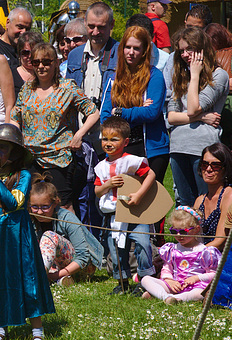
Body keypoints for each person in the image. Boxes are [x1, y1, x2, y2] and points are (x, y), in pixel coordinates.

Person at [0, 124, 55, 340]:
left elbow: (13, 203)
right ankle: (1, 328)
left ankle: (37, 331)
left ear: (15, 153)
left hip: (17, 236)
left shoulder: (24, 176)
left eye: (2, 148)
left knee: (26, 277)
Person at [10, 43, 99, 209]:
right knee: (34, 206)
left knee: (62, 206)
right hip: (30, 158)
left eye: (46, 62)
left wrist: (79, 135)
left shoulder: (68, 88)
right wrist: (17, 140)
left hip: (59, 158)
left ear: (56, 63)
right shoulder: (27, 88)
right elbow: (15, 116)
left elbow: (93, 113)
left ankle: (68, 236)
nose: (41, 66)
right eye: (36, 62)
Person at [100, 25, 169, 240]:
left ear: (145, 50)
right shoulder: (113, 77)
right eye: (127, 47)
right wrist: (139, 108)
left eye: (136, 48)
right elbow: (104, 118)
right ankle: (123, 252)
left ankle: (155, 252)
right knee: (123, 200)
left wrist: (120, 112)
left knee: (150, 203)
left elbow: (152, 112)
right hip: (122, 148)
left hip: (151, 147)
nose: (131, 52)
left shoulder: (154, 76)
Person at [167, 27, 229, 207]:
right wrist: (201, 118)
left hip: (201, 147)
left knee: (205, 200)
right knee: (185, 202)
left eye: (189, 49)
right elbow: (171, 117)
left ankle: (208, 236)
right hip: (178, 145)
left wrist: (194, 76)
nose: (185, 54)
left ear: (202, 48)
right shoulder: (180, 75)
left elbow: (194, 108)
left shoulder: (219, 75)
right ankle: (189, 236)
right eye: (181, 51)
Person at [94, 117, 156, 295]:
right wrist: (108, 184)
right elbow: (98, 191)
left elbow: (150, 175)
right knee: (116, 247)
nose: (108, 143)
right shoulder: (101, 167)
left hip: (136, 212)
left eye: (114, 139)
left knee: (143, 243)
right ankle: (122, 282)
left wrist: (139, 195)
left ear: (125, 141)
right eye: (105, 139)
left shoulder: (132, 161)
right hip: (113, 214)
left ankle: (146, 281)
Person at [29, 173, 103, 286]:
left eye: (45, 207)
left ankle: (43, 278)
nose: (39, 212)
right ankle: (58, 280)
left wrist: (55, 275)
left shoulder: (67, 218)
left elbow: (83, 256)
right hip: (54, 266)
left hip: (83, 268)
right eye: (34, 207)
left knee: (49, 235)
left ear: (55, 203)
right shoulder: (31, 220)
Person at [66, 1, 119, 156]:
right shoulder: (74, 55)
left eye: (101, 27)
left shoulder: (121, 53)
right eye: (91, 26)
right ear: (84, 23)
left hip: (109, 135)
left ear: (112, 25)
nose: (95, 32)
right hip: (79, 135)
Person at [141, 207, 221, 304]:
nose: (179, 235)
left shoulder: (204, 251)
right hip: (175, 284)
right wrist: (169, 280)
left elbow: (214, 274)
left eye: (183, 231)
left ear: (196, 229)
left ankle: (173, 298)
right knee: (145, 279)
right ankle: (166, 297)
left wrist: (196, 278)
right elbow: (167, 268)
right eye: (174, 231)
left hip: (195, 286)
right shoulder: (172, 249)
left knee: (200, 293)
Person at [193, 144, 232, 251]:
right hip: (201, 256)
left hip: (221, 257)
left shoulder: (229, 196)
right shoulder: (199, 201)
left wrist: (190, 254)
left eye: (215, 165)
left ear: (225, 168)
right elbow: (192, 237)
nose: (209, 169)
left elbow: (220, 240)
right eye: (204, 164)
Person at [0, 7, 32, 95]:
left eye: (27, 29)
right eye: (20, 27)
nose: (23, 32)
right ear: (8, 23)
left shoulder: (30, 50)